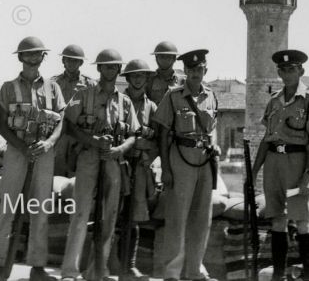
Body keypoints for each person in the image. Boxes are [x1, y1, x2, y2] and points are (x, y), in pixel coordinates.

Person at [0, 37, 65, 281]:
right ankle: (1, 265)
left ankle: (37, 267)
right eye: (27, 54)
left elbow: (61, 120)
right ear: (20, 57)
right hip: (17, 153)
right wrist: (21, 147)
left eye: (37, 54)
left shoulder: (53, 88)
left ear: (43, 57)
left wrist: (49, 143)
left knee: (40, 210)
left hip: (44, 153)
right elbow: (2, 124)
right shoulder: (9, 87)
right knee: (9, 209)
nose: (32, 58)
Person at [60, 49, 138, 281]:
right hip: (88, 157)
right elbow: (69, 124)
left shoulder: (124, 101)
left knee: (110, 216)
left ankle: (97, 270)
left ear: (119, 70)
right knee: (80, 213)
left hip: (113, 159)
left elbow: (134, 134)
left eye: (114, 67)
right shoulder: (84, 94)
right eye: (106, 66)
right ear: (98, 69)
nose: (110, 70)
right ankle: (70, 271)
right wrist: (92, 140)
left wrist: (119, 150)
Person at [252, 50, 309, 281]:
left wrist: (307, 176)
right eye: (282, 70)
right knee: (278, 220)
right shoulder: (274, 100)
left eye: (291, 69)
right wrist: (253, 172)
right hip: (274, 166)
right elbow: (266, 138)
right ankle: (279, 276)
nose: (286, 74)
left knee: (301, 220)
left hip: (296, 166)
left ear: (301, 71)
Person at [154, 49, 219, 281]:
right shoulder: (173, 96)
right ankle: (172, 272)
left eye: (199, 69)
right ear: (185, 71)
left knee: (202, 219)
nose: (194, 73)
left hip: (205, 160)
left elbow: (213, 129)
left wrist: (215, 149)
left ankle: (195, 270)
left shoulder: (211, 96)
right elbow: (162, 135)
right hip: (180, 158)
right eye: (190, 70)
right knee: (177, 218)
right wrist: (166, 169)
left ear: (205, 71)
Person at [117, 59, 159, 281]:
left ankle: (129, 266)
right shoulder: (119, 102)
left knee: (134, 216)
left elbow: (158, 139)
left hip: (140, 166)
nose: (138, 79)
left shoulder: (152, 107)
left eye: (142, 75)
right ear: (127, 78)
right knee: (112, 213)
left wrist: (148, 158)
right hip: (118, 163)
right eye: (134, 75)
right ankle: (103, 265)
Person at [51, 45, 96, 177]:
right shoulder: (53, 83)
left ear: (81, 62)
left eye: (75, 60)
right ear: (63, 61)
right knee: (56, 174)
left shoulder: (90, 84)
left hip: (80, 134)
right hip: (59, 133)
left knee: (76, 176)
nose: (71, 63)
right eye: (68, 59)